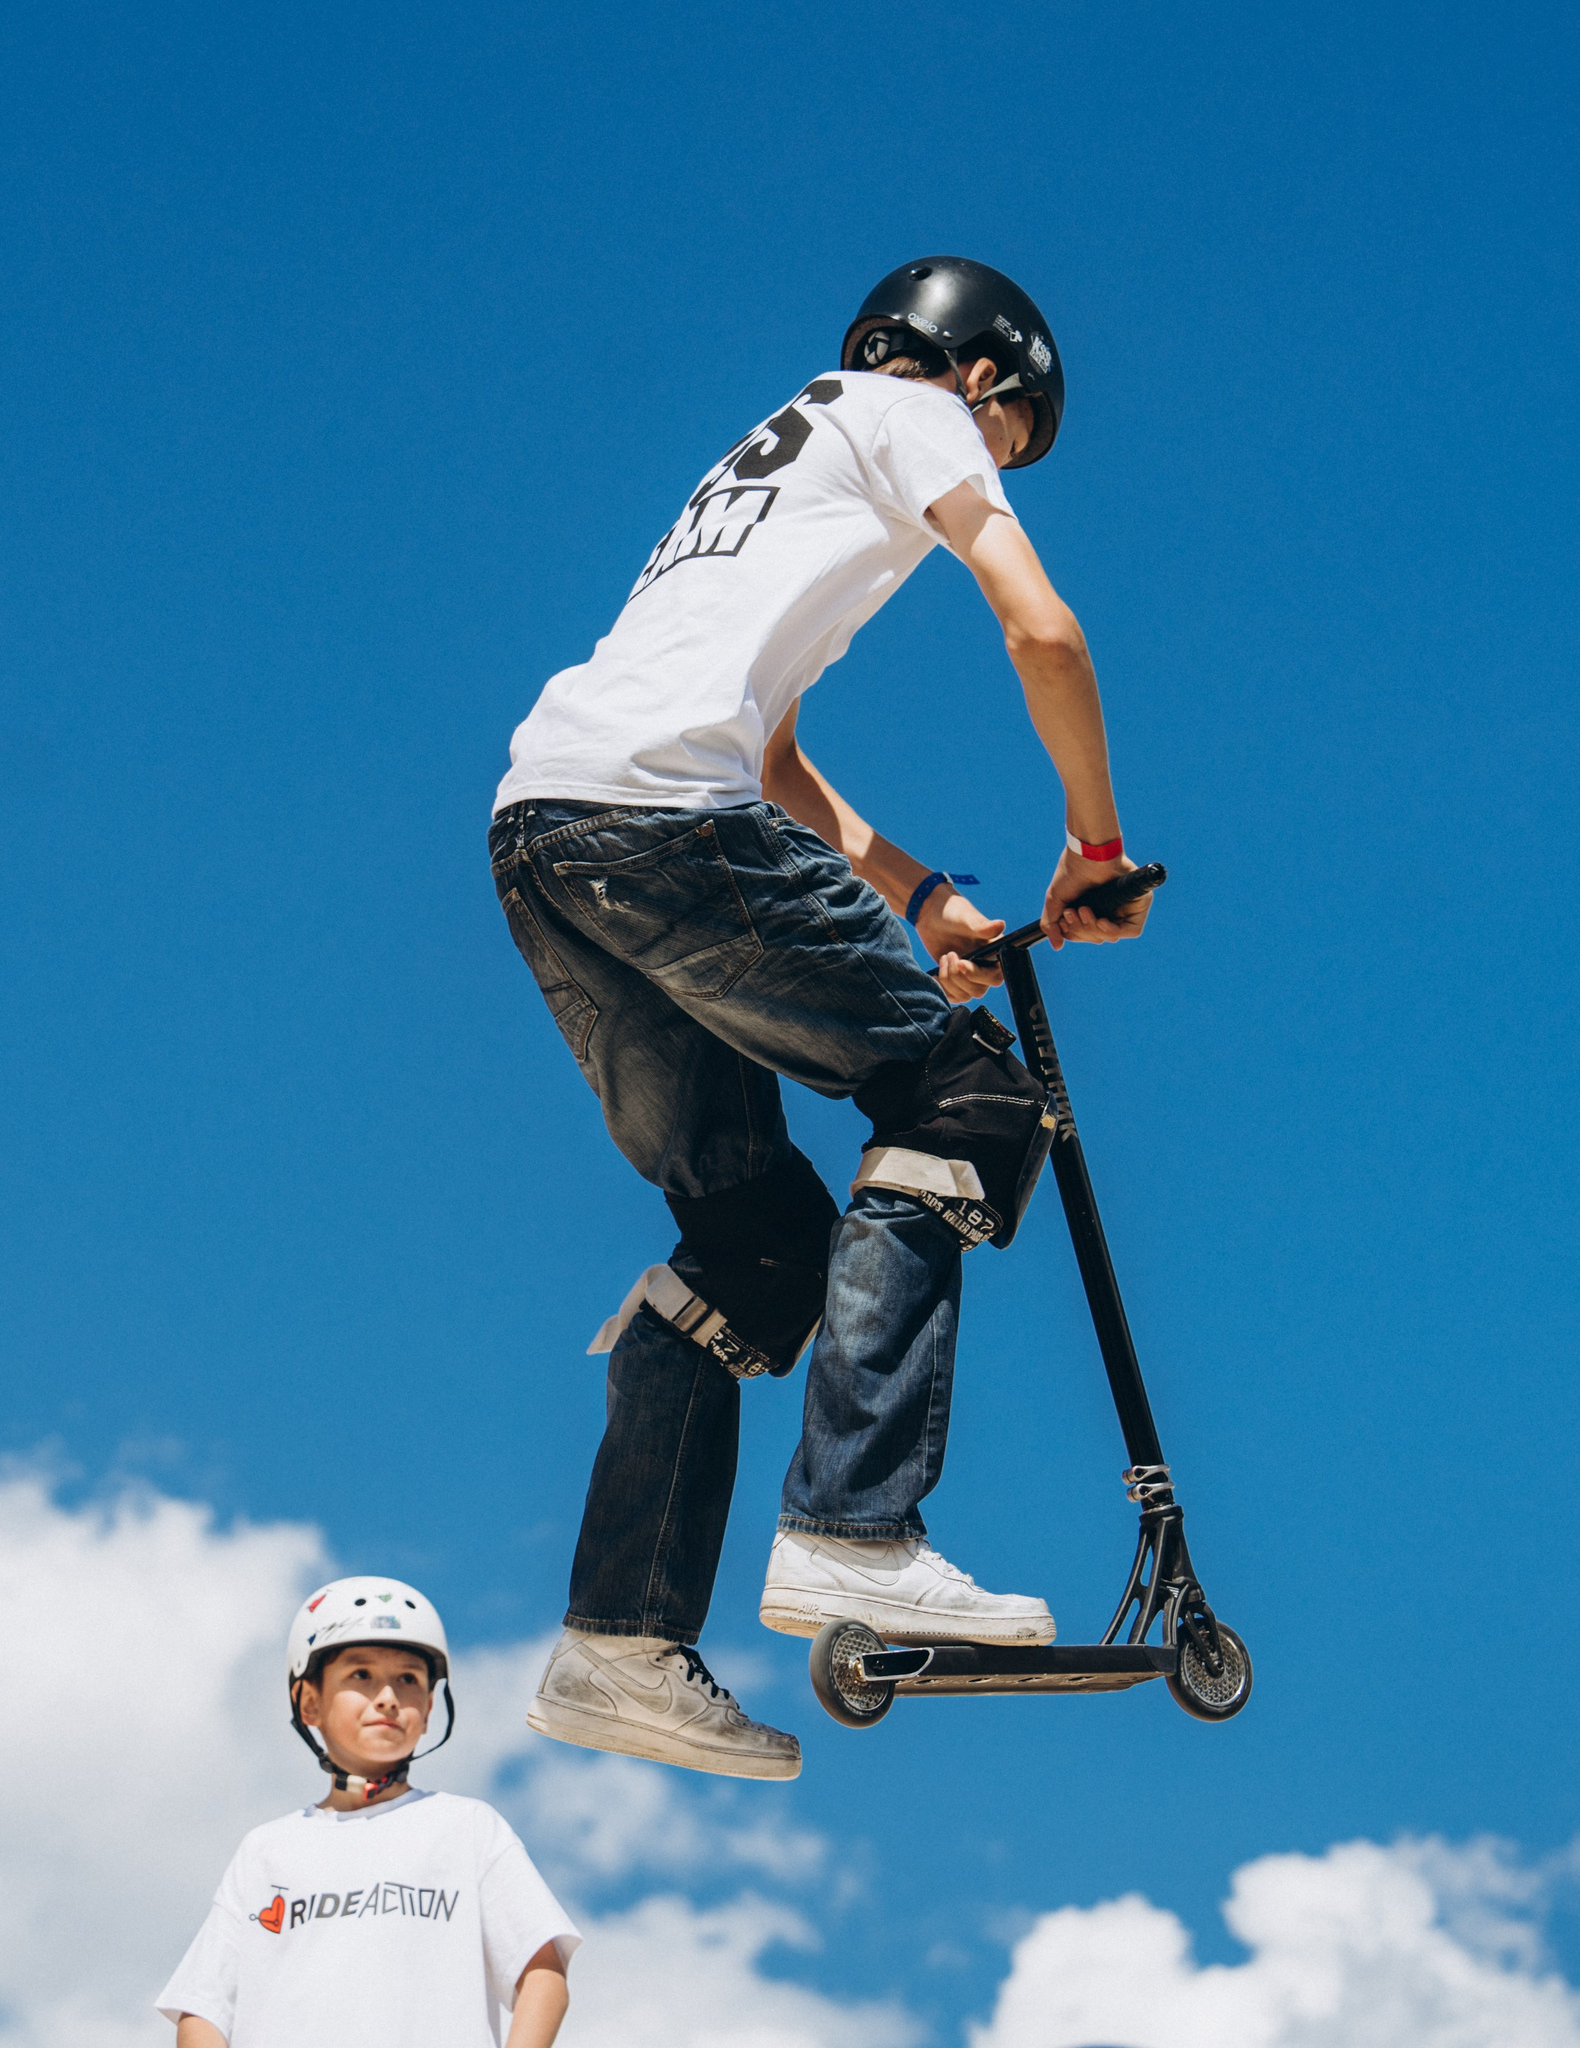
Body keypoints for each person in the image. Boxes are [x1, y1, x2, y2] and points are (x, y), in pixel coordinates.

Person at [489, 257, 1149, 1780]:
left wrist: (920, 898)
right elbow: (1044, 631)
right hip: (661, 823)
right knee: (970, 1102)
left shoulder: (758, 473)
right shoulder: (917, 416)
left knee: (757, 1241)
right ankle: (855, 1526)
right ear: (981, 373)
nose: (998, 460)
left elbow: (776, 760)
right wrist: (1095, 846)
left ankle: (618, 1640)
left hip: (545, 837)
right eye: (1014, 432)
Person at [155, 1578, 579, 2048]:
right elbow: (203, 2009)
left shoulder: (467, 1828)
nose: (388, 1696)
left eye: (408, 1679)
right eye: (361, 1675)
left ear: (430, 1707)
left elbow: (541, 1973)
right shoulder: (267, 1850)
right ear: (309, 1702)